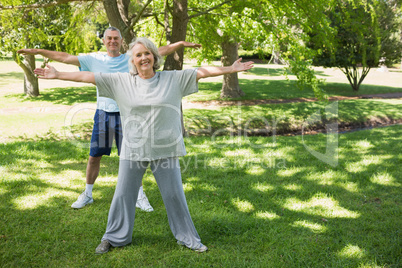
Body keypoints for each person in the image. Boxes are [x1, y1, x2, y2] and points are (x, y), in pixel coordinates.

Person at [34, 37, 254, 254]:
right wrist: (57, 74)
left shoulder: (171, 79)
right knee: (123, 195)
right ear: (133, 60)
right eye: (138, 55)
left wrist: (231, 68)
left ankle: (188, 238)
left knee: (174, 195)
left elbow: (201, 72)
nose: (143, 58)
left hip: (165, 149)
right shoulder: (122, 81)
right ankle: (113, 237)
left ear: (154, 56)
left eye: (147, 53)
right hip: (133, 149)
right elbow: (89, 76)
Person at [18, 27, 201, 211]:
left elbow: (159, 50)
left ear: (121, 41)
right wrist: (38, 51)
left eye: (116, 38)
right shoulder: (94, 59)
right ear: (104, 41)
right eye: (109, 38)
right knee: (94, 156)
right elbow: (65, 57)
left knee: (133, 158)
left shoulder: (131, 57)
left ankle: (139, 196)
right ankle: (87, 194)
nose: (113, 41)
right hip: (104, 114)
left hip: (129, 116)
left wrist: (180, 44)